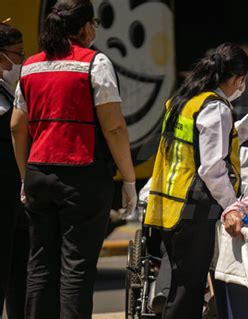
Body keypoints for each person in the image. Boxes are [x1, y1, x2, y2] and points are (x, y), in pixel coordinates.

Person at [10, 0, 137, 318]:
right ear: (84, 27)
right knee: (76, 268)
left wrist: (25, 176)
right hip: (83, 175)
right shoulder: (96, 63)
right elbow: (115, 127)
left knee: (40, 265)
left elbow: (16, 126)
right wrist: (130, 180)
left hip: (39, 172)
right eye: (93, 22)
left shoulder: (31, 66)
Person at [144, 42, 248, 318]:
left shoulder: (187, 101)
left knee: (181, 289)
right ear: (238, 79)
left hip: (169, 209)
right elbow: (212, 166)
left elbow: (215, 142)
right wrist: (231, 205)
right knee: (187, 296)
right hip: (192, 212)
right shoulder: (216, 108)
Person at [0, 21, 28, 319]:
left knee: (17, 270)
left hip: (13, 197)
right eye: (17, 54)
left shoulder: (8, 89)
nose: (21, 61)